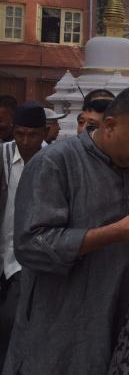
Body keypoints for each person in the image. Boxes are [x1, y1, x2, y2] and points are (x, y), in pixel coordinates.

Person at [4, 85, 129, 375]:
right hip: (64, 322)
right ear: (110, 125)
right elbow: (31, 244)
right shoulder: (55, 163)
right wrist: (115, 233)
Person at [0, 102, 47, 365]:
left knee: (11, 319)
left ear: (45, 132)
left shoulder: (54, 160)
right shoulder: (2, 155)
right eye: (19, 134)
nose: (25, 141)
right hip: (2, 248)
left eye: (32, 135)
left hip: (23, 257)